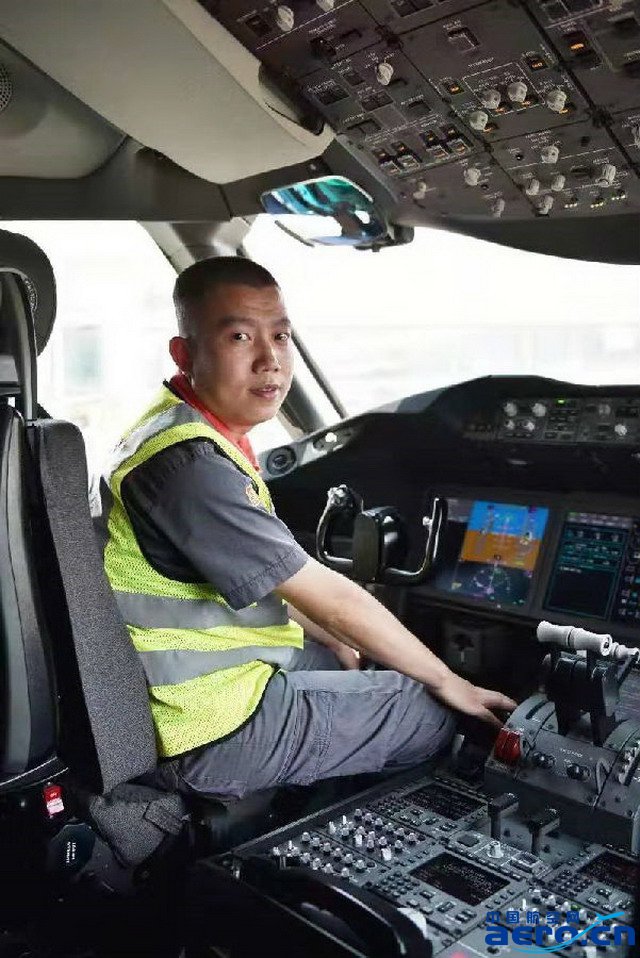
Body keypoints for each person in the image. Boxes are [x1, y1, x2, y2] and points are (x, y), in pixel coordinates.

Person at [96, 256, 516, 800]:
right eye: (240, 337)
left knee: (350, 656)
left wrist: (335, 638)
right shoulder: (190, 466)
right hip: (204, 726)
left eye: (280, 336)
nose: (269, 360)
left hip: (187, 692)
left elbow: (269, 582)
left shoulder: (175, 427)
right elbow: (330, 598)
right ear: (185, 354)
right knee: (432, 712)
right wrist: (450, 681)